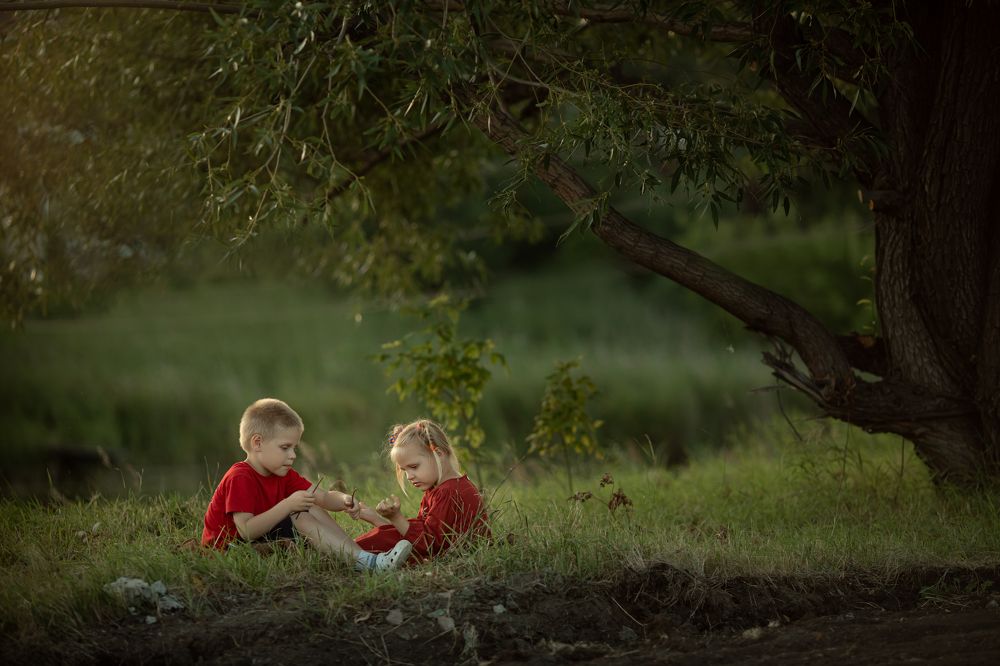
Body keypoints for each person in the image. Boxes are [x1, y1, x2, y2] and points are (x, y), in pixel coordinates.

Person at [201, 398, 411, 572]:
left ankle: (360, 558)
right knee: (298, 513)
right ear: (257, 443)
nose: (292, 455)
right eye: (285, 447)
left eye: (294, 448)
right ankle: (366, 562)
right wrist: (288, 505)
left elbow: (323, 497)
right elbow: (246, 530)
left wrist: (344, 500)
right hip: (230, 551)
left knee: (310, 505)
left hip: (264, 539)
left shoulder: (283, 474)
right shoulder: (241, 477)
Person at [351, 419, 490, 563]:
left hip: (450, 557)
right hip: (436, 552)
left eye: (414, 467)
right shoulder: (445, 488)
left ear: (439, 454)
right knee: (384, 537)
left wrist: (396, 518)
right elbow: (414, 535)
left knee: (382, 540)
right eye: (404, 470)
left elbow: (428, 545)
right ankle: (347, 551)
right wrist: (376, 519)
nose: (409, 476)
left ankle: (348, 553)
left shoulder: (449, 492)